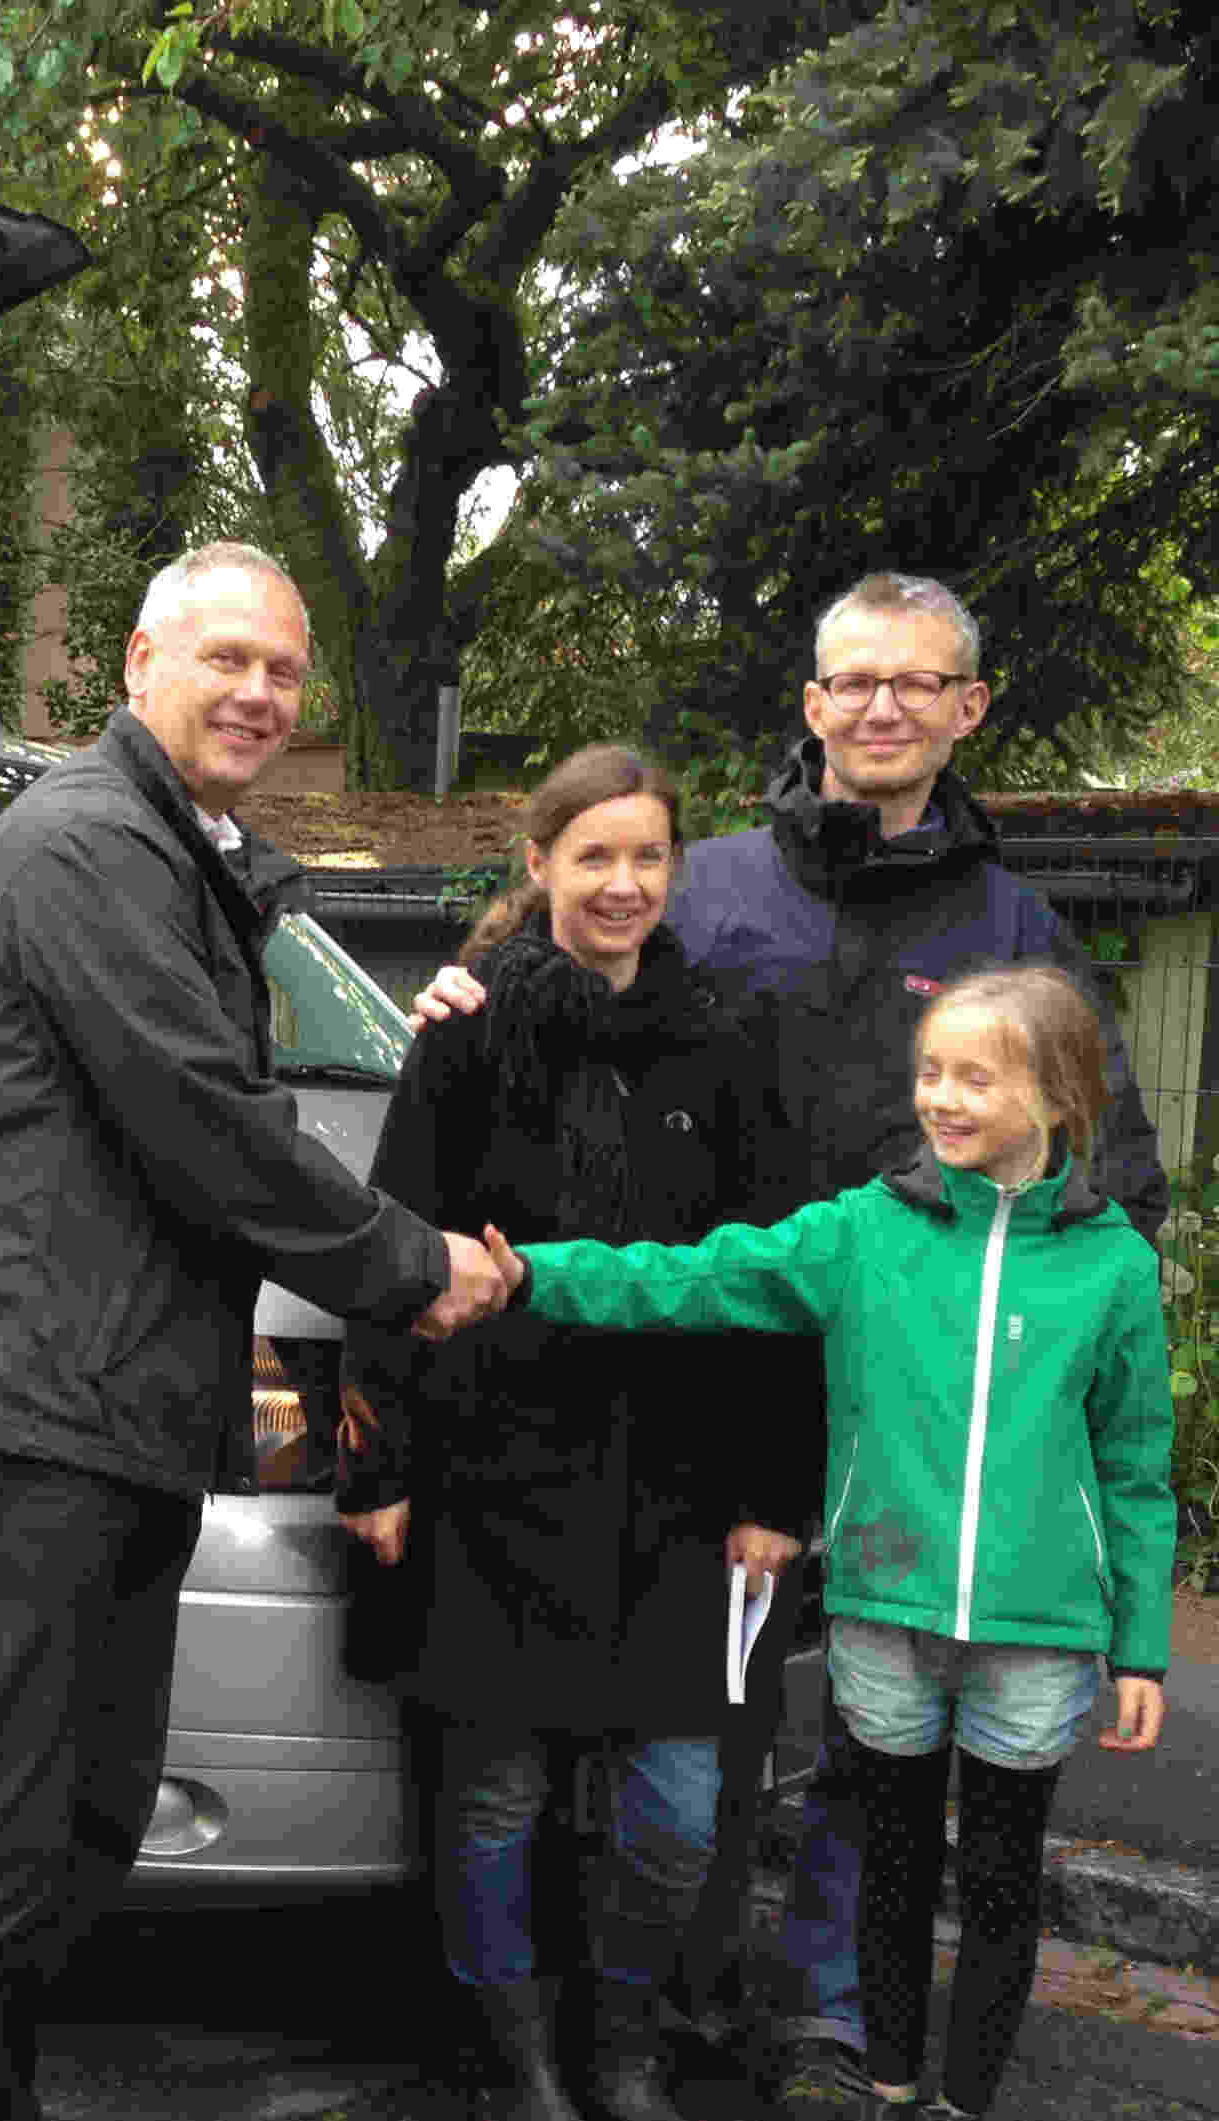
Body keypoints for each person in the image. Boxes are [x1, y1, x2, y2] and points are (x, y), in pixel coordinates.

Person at [411, 572, 1168, 2113]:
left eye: (917, 683)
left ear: (966, 710)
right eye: (853, 681)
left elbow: (1107, 1167)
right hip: (712, 1372)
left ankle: (829, 2017)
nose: (881, 706)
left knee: (859, 1745)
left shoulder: (1007, 923)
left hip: (909, 1411)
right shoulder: (714, 885)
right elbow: (564, 939)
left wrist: (1027, 1356)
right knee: (709, 1732)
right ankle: (682, 2001)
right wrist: (452, 987)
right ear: (811, 703)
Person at [0, 542, 512, 2121]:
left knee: (76, 1821)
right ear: (139, 663)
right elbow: (204, 1120)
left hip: (100, 1404)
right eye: (225, 658)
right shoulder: (86, 846)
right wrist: (413, 1269)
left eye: (282, 669)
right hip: (20, 1408)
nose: (259, 692)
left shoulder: (180, 855)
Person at [488, 963, 1174, 2118]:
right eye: (929, 1074)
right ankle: (891, 2089)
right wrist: (531, 1274)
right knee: (892, 1874)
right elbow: (701, 1275)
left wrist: (1140, 1647)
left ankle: (963, 2101)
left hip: (1039, 1628)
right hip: (885, 1612)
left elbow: (1135, 1468)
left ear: (1057, 1098)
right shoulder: (866, 1231)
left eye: (973, 1078)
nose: (940, 1099)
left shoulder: (1113, 1266)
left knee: (1002, 1883)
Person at [336, 744, 814, 2121]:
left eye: (646, 856)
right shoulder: (463, 1036)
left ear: (675, 868)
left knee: (672, 1809)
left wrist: (772, 1491)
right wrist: (377, 1466)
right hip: (494, 1477)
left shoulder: (729, 1041)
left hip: (676, 1493)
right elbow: (392, 1254)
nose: (620, 883)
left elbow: (778, 1284)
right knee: (489, 1800)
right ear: (536, 862)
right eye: (591, 855)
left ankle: (626, 2047)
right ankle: (525, 2066)